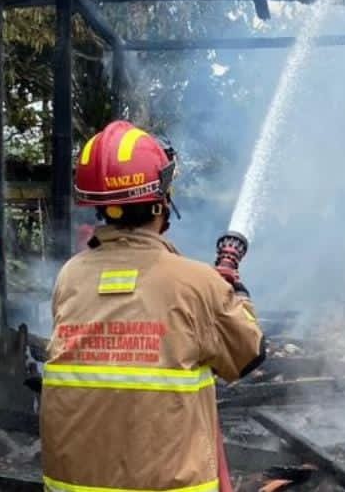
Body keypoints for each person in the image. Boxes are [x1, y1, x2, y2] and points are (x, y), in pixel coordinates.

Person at [40, 120, 265, 492]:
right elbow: (249, 355)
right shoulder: (196, 283)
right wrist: (236, 294)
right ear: (161, 199)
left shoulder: (70, 276)